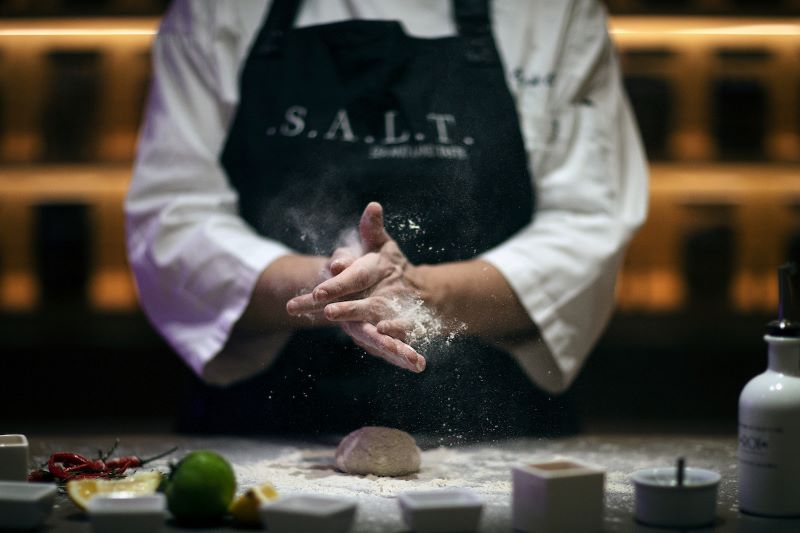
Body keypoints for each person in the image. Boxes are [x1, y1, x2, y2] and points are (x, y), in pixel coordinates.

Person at [125, 0, 648, 438]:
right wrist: (331, 286)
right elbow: (172, 217)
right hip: (255, 435)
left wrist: (419, 293)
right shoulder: (214, 11)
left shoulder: (554, 12)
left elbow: (589, 222)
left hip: (496, 436)